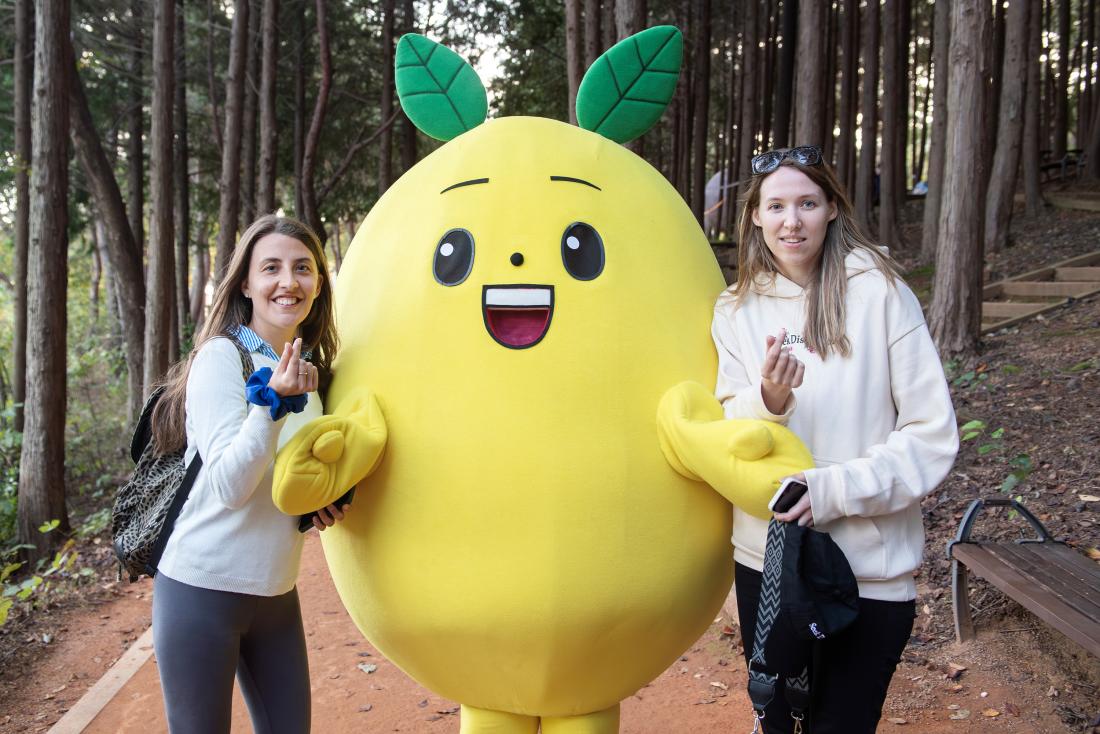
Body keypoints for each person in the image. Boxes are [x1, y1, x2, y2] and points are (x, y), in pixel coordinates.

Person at [712, 146, 959, 733]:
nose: (790, 221)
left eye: (806, 204)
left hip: (868, 569)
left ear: (830, 211)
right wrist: (766, 401)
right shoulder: (734, 309)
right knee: (776, 724)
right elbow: (726, 429)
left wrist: (831, 491)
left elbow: (932, 436)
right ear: (754, 216)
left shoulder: (882, 294)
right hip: (768, 562)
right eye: (776, 206)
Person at [147, 215, 346, 733]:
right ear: (245, 284)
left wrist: (320, 503)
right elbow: (232, 487)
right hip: (200, 588)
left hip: (276, 590)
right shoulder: (221, 358)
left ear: (319, 284)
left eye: (303, 269)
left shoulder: (312, 370)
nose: (289, 282)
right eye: (272, 268)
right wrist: (272, 404)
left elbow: (288, 477)